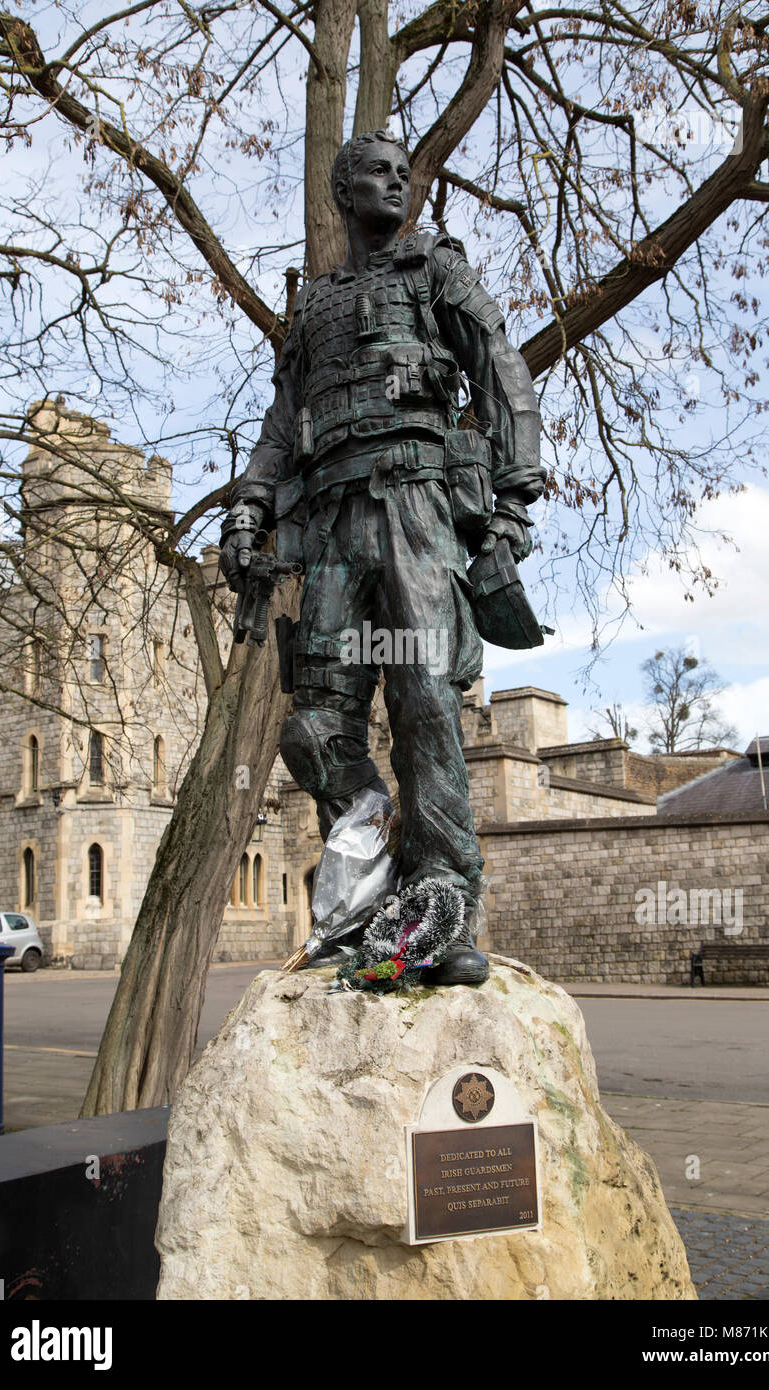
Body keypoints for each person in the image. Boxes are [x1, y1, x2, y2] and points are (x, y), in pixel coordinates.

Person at [219, 129, 546, 984]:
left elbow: (504, 377)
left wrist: (510, 509)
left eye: (406, 173)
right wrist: (249, 509)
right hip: (330, 529)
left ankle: (442, 896)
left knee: (424, 701)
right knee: (316, 725)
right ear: (343, 191)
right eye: (378, 172)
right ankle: (368, 890)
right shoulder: (315, 307)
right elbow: (280, 428)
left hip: (415, 511)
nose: (398, 182)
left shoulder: (436, 269)